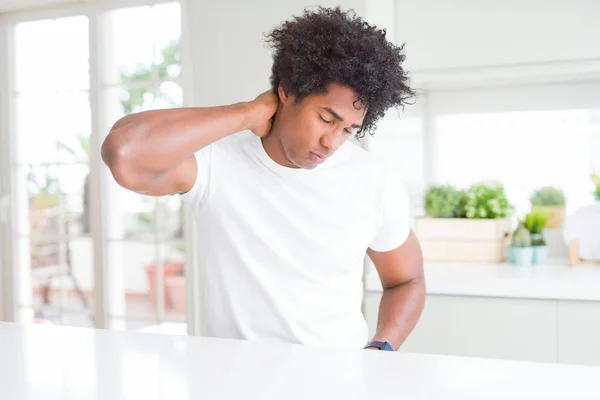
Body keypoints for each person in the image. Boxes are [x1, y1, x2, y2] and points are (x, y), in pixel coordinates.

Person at [101, 6, 425, 351]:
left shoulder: (374, 180)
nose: (332, 142)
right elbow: (125, 153)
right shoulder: (216, 163)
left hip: (339, 379)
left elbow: (407, 280)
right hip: (238, 380)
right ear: (286, 92)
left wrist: (381, 348)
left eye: (348, 129)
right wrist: (249, 112)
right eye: (326, 119)